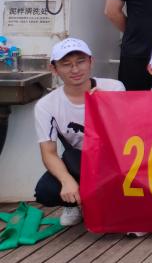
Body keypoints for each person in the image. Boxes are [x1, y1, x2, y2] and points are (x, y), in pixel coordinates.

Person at [34, 38, 125, 227]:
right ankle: (73, 204)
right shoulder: (46, 105)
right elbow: (48, 152)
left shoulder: (114, 88)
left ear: (91, 62)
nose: (75, 70)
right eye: (66, 64)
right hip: (79, 162)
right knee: (46, 190)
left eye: (80, 62)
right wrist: (67, 180)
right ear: (54, 69)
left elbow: (125, 134)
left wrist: (105, 105)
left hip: (113, 160)